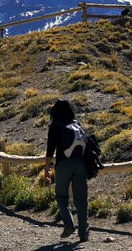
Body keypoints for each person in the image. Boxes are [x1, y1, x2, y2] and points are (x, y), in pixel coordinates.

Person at [44, 100, 89, 242]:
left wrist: (47, 168)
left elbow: (50, 148)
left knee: (61, 196)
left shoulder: (55, 126)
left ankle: (69, 225)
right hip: (81, 164)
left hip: (64, 164)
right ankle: (84, 233)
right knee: (81, 199)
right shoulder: (76, 124)